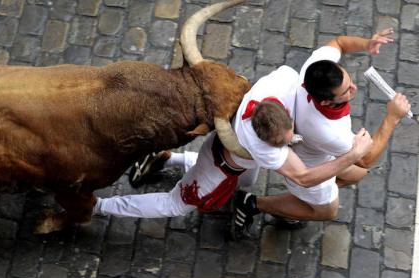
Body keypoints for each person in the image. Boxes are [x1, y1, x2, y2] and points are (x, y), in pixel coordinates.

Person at [94, 65, 373, 219]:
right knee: (174, 205)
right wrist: (350, 155)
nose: (293, 140)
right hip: (218, 169)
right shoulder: (264, 147)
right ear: (268, 142)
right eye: (285, 141)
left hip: (235, 156)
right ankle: (100, 207)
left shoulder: (285, 78)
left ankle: (169, 158)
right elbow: (303, 177)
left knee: (248, 182)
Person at [230, 28, 412, 239]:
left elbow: (338, 42)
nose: (354, 88)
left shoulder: (313, 71)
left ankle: (295, 204)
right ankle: (251, 204)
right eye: (346, 91)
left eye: (348, 80)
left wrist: (366, 44)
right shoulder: (329, 132)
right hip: (309, 165)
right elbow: (366, 159)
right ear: (325, 102)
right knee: (327, 211)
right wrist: (392, 118)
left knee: (357, 175)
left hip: (312, 145)